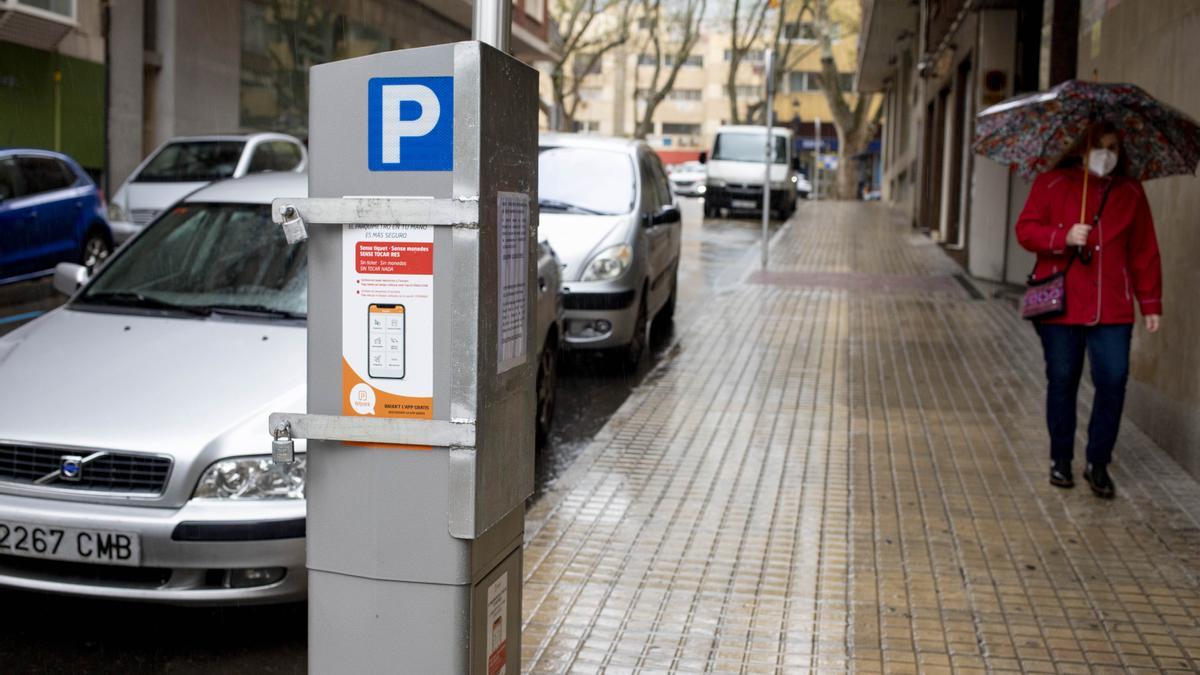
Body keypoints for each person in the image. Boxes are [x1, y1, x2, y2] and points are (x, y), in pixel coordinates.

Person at [1015, 120, 1163, 498]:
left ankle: (1098, 462)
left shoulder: (1130, 192)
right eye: (1100, 146)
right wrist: (1061, 237)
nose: (1107, 154)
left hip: (1112, 307)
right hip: (1060, 306)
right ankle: (1060, 458)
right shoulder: (1051, 184)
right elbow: (1025, 230)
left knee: (1113, 381)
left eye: (1114, 147)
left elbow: (1144, 250)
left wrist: (1150, 303)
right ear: (1082, 148)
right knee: (1062, 380)